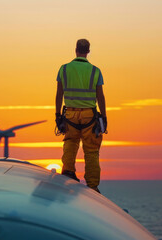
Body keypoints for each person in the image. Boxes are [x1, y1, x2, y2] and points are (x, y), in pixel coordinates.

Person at [55, 39, 107, 193]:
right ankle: (92, 185)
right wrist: (103, 116)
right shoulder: (95, 71)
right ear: (88, 51)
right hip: (89, 116)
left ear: (75, 49)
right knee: (91, 150)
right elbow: (100, 96)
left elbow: (59, 94)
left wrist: (57, 114)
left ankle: (68, 172)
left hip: (70, 114)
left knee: (70, 143)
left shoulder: (63, 69)